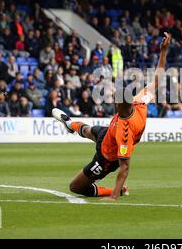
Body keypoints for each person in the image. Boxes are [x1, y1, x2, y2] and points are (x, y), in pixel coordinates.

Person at [51, 32, 171, 201]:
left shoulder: (126, 133)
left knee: (75, 186)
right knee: (86, 130)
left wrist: (114, 196)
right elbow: (156, 81)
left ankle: (115, 191)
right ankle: (70, 124)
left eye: (115, 100)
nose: (113, 102)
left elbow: (125, 166)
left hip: (107, 157)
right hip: (107, 134)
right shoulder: (139, 102)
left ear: (120, 105)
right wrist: (163, 52)